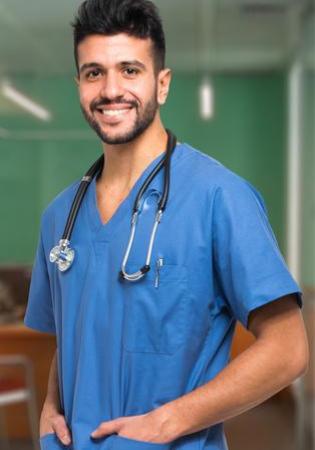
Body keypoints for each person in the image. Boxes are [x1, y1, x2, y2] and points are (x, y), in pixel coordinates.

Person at [24, 0, 309, 449]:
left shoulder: (219, 197)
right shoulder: (61, 216)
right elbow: (78, 331)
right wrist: (49, 406)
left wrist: (170, 421)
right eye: (94, 72)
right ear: (79, 84)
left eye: (130, 70)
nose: (110, 89)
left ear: (162, 84)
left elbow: (288, 349)